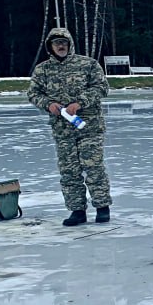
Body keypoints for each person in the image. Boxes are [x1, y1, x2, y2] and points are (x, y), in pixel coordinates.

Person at [27, 27, 113, 226]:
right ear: (50, 46)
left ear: (69, 44)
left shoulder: (88, 64)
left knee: (93, 167)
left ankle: (102, 207)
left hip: (89, 126)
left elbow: (101, 87)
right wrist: (48, 105)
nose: (60, 46)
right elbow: (33, 93)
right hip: (62, 129)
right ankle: (77, 210)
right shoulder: (43, 70)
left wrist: (80, 103)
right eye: (56, 43)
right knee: (69, 171)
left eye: (63, 42)